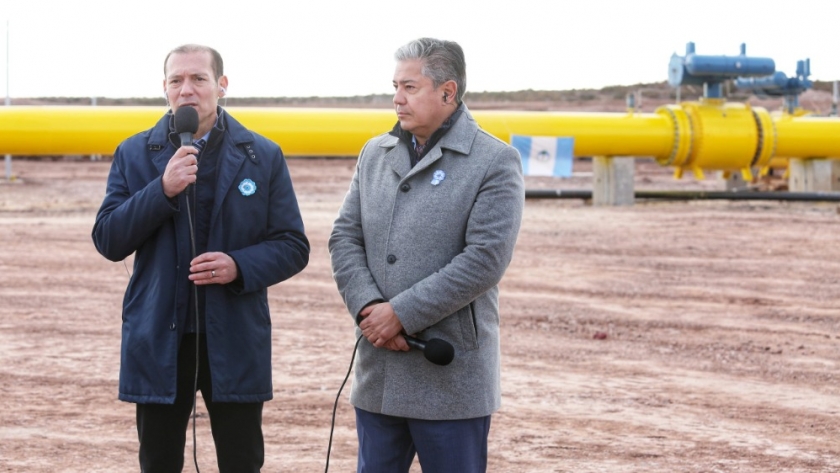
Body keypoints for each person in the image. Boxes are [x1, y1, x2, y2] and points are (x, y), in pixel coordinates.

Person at [92, 44, 310, 472]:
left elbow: (292, 244)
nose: (186, 90)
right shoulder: (134, 153)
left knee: (242, 459)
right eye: (176, 81)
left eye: (198, 79)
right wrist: (162, 190)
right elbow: (108, 239)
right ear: (165, 89)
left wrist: (239, 266)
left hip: (233, 333)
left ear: (222, 86)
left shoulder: (262, 155)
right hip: (159, 334)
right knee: (158, 460)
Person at [328, 37, 525, 473]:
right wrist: (369, 307)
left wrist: (401, 314)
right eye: (395, 86)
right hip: (380, 367)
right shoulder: (374, 154)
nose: (397, 99)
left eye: (410, 87)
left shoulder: (494, 161)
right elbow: (344, 237)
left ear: (448, 92)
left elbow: (485, 260)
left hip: (449, 376)